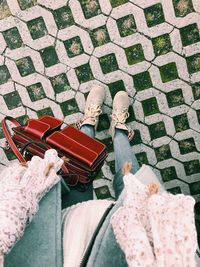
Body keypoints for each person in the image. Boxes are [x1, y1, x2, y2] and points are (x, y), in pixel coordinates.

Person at [1, 86, 199, 267]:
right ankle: (119, 131)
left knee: (78, 166)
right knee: (130, 178)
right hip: (136, 241)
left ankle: (89, 124)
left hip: (61, 232)